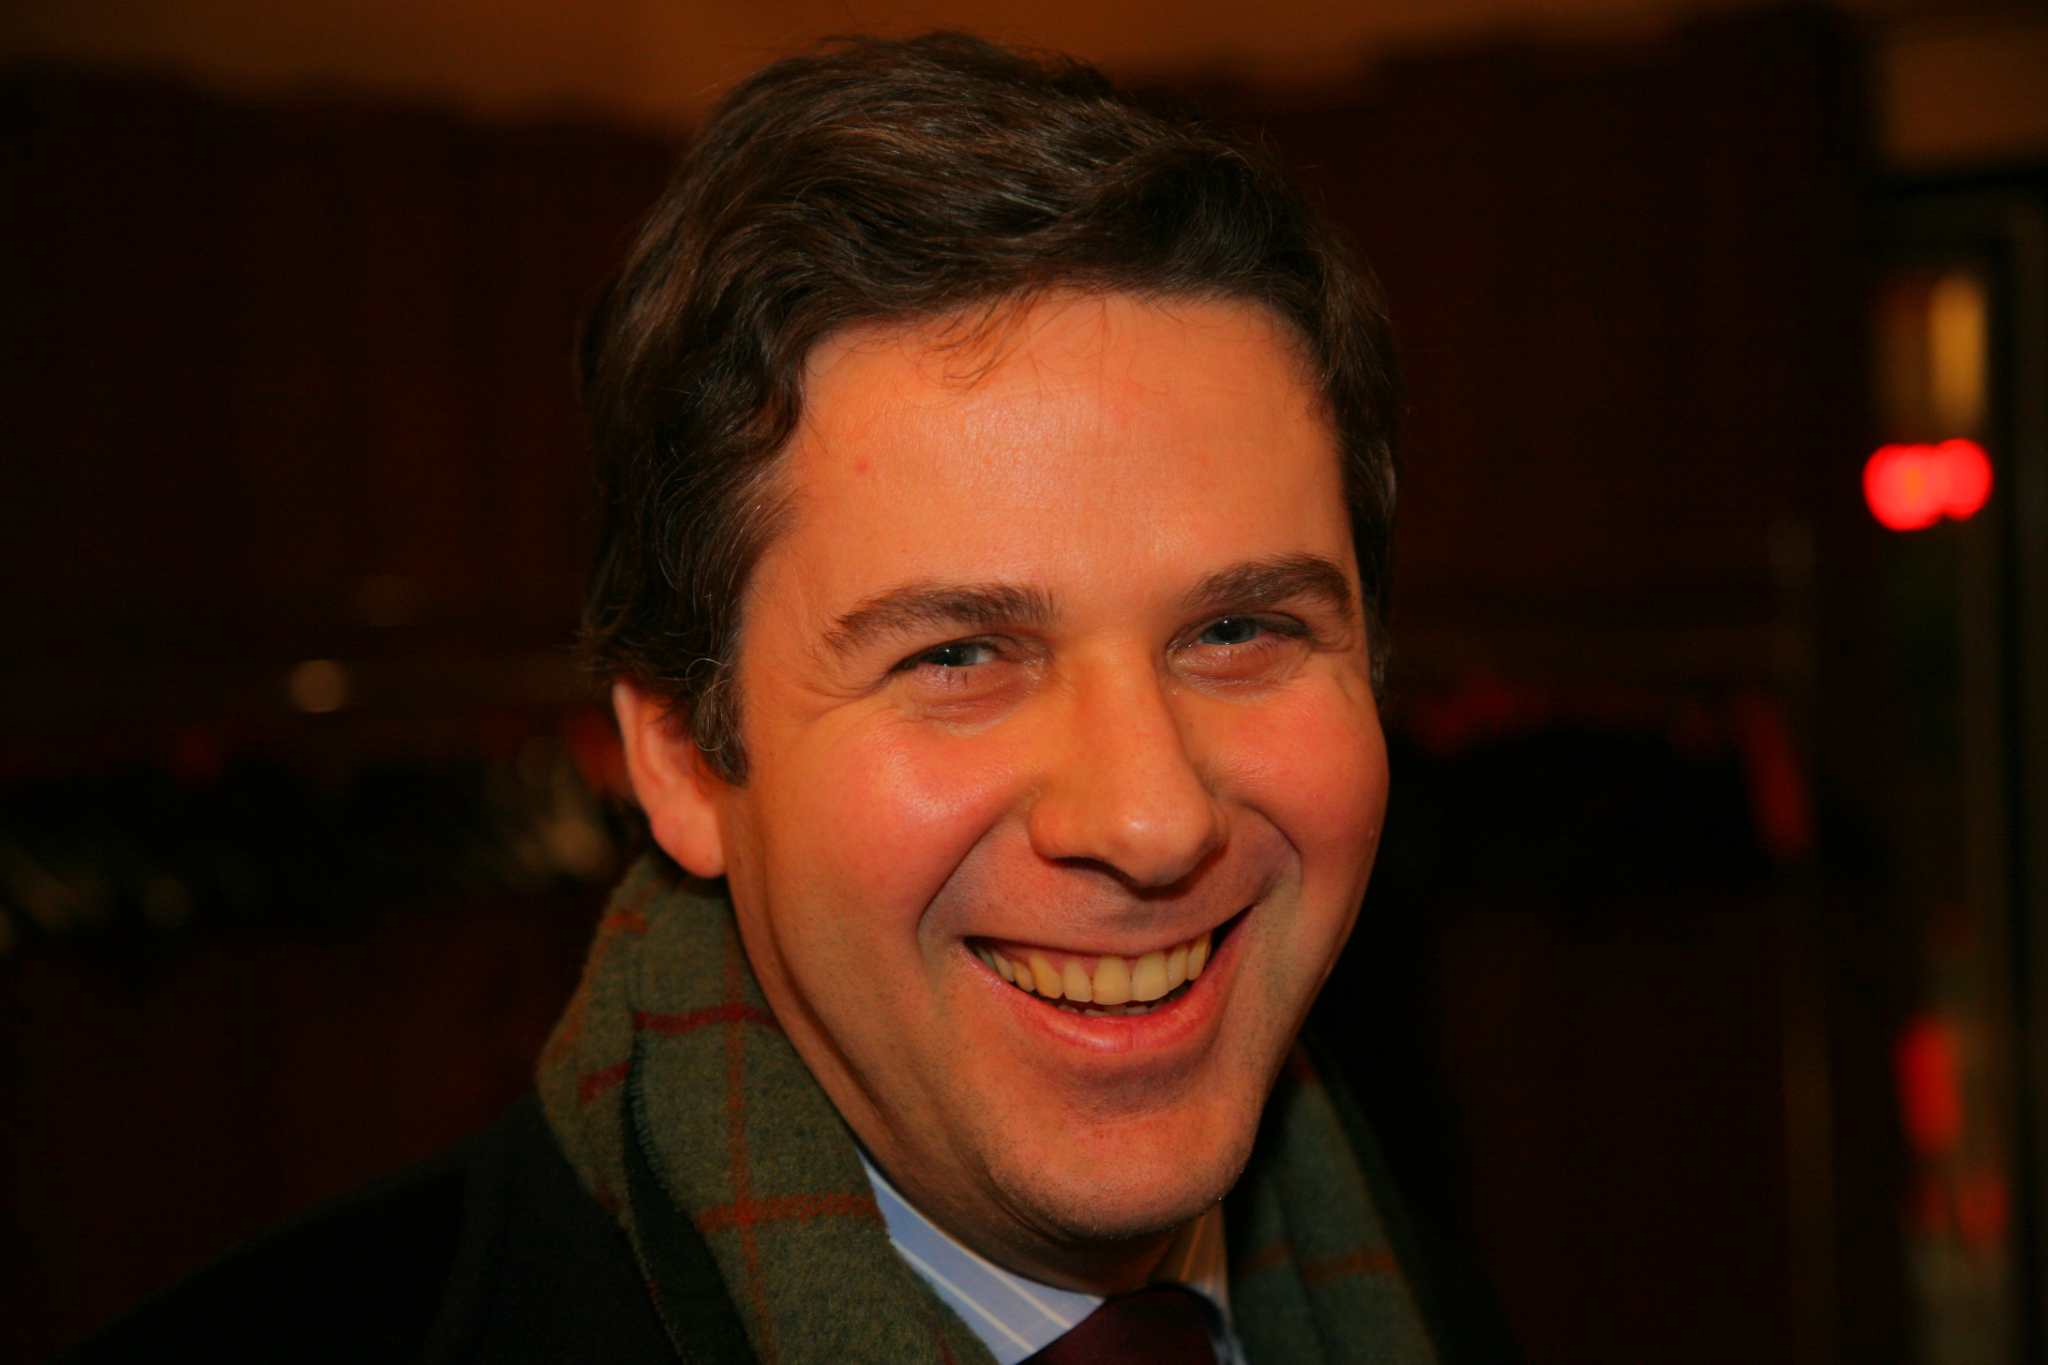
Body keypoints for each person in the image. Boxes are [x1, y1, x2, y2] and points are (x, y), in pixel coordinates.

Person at [75, 32, 1454, 1365]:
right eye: (958, 656)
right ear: (683, 756)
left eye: (1238, 630)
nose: (1152, 819)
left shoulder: (1420, 1265)